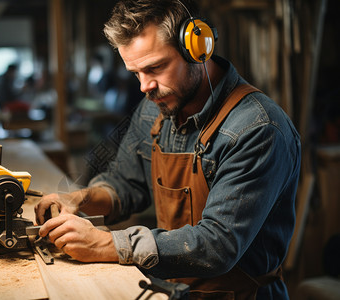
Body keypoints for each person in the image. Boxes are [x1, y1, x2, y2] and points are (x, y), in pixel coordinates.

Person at [35, 0, 301, 299]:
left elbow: (218, 246)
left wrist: (106, 244)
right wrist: (81, 198)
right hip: (173, 290)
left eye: (155, 67)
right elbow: (126, 184)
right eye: (136, 73)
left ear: (197, 49)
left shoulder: (257, 128)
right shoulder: (155, 109)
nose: (145, 86)